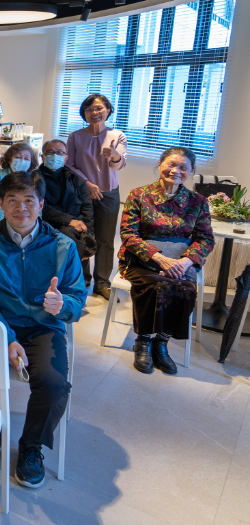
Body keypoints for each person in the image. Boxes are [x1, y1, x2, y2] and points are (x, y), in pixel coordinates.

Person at [0, 171, 85, 488]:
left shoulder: (63, 246)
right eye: (13, 200)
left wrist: (63, 305)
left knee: (54, 385)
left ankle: (31, 446)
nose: (21, 208)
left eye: (29, 200)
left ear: (41, 204)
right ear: (1, 203)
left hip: (43, 327)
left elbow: (76, 297)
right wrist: (6, 337)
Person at [118, 147, 214, 375]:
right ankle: (143, 341)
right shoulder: (139, 194)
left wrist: (185, 263)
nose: (176, 171)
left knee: (185, 288)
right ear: (160, 164)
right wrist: (160, 259)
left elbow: (206, 239)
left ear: (191, 171)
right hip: (142, 259)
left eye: (183, 167)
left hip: (180, 262)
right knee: (155, 284)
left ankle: (161, 341)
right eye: (171, 164)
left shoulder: (198, 201)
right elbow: (129, 234)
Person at [66, 93, 127, 298]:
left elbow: (119, 164)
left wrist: (115, 155)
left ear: (108, 110)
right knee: (82, 235)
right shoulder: (75, 136)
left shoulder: (117, 135)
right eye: (89, 109)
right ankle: (82, 280)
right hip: (82, 193)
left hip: (108, 193)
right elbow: (69, 164)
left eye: (99, 108)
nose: (94, 112)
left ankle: (102, 282)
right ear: (84, 113)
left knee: (106, 239)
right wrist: (87, 183)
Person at [39, 139, 96, 276]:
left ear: (66, 158)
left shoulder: (77, 179)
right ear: (42, 156)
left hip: (75, 225)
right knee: (65, 237)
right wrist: (68, 220)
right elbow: (39, 207)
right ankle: (61, 279)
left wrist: (88, 237)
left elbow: (87, 209)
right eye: (50, 152)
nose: (55, 155)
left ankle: (76, 279)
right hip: (46, 223)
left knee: (76, 238)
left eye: (59, 152)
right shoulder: (34, 179)